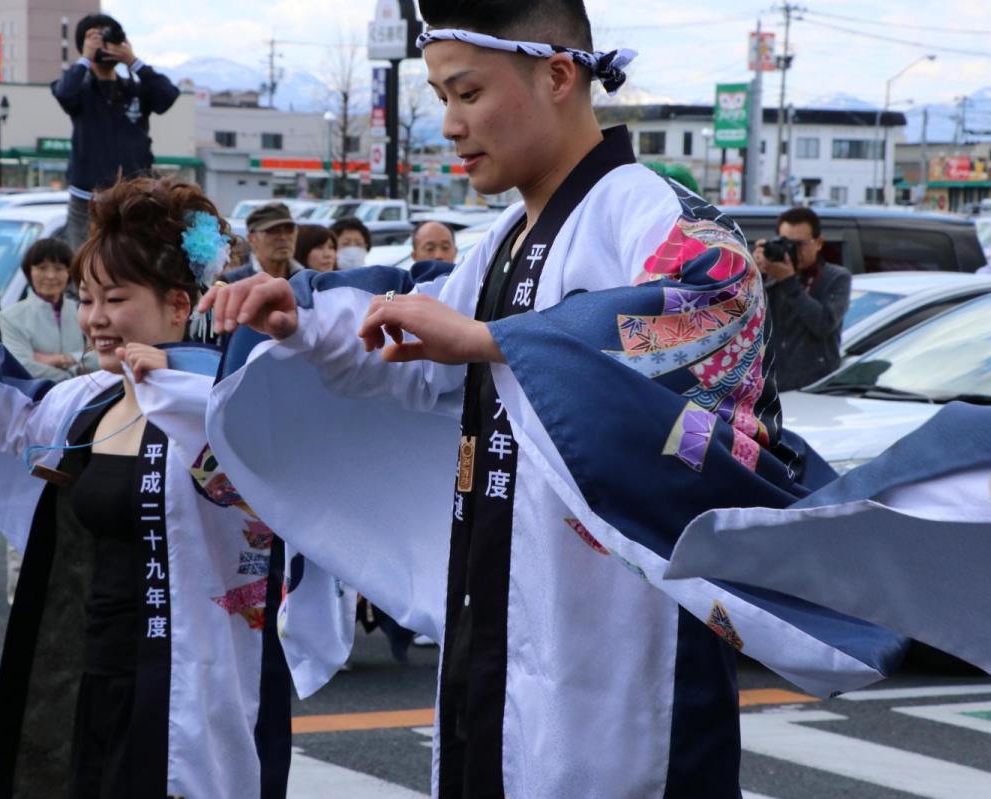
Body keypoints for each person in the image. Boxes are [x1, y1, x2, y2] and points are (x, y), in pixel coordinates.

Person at [200, 2, 878, 795]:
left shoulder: (645, 209)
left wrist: (500, 340)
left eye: (467, 93)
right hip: (498, 614)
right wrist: (305, 322)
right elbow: (418, 354)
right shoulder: (500, 241)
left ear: (559, 75)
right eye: (440, 97)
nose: (450, 124)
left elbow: (713, 300)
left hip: (627, 653)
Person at [0, 177, 316, 798]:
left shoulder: (225, 405)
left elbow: (265, 489)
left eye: (115, 298)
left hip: (193, 674)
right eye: (86, 297)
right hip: (90, 664)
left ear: (180, 304)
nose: (95, 319)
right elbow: (13, 413)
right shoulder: (87, 401)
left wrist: (178, 386)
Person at [52, 13, 180, 250]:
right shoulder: (80, 89)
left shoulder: (136, 89)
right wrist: (85, 59)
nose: (104, 42)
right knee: (84, 266)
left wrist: (133, 61)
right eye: (96, 36)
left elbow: (168, 96)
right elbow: (64, 94)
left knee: (135, 266)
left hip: (135, 198)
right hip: (87, 199)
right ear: (83, 45)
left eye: (110, 36)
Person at [753, 206, 851, 391]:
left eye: (800, 244)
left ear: (819, 242)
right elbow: (748, 321)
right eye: (785, 243)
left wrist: (788, 281)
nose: (792, 250)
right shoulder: (770, 275)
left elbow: (823, 324)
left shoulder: (836, 277)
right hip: (771, 385)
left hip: (815, 388)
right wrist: (755, 274)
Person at [0, 238, 98, 382]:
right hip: (37, 398)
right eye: (42, 268)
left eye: (59, 268)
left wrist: (60, 359)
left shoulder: (83, 309)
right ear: (29, 270)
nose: (51, 276)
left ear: (69, 273)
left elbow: (98, 358)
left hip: (83, 394)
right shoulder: (10, 317)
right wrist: (72, 374)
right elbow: (22, 366)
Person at [225, 203, 302, 281]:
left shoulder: (307, 280)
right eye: (273, 231)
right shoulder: (232, 281)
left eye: (289, 230)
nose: (283, 237)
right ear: (251, 238)